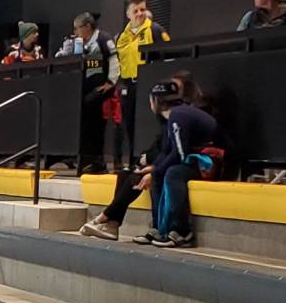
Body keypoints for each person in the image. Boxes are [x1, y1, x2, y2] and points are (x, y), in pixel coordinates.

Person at [79, 74, 218, 248]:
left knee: (171, 173)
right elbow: (168, 151)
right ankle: (159, 227)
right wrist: (152, 168)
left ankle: (182, 231)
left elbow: (178, 154)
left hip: (208, 162)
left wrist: (156, 170)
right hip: (194, 160)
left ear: (155, 101)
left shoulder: (178, 116)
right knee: (154, 173)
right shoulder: (172, 118)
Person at [111, 0, 171, 170]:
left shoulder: (155, 30)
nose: (139, 14)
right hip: (127, 85)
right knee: (129, 124)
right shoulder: (122, 36)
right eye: (135, 11)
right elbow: (118, 61)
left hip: (148, 83)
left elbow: (168, 54)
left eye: (142, 9)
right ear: (128, 14)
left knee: (149, 124)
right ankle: (131, 161)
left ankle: (151, 159)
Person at [58, 13, 118, 171]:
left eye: (77, 28)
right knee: (84, 127)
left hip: (100, 92)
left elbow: (114, 60)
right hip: (83, 92)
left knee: (97, 128)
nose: (75, 31)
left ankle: (98, 162)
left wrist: (110, 83)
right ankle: (86, 162)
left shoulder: (103, 39)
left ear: (87, 27)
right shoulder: (78, 43)